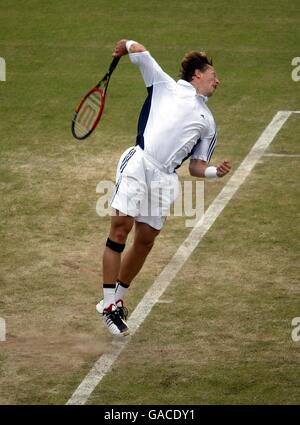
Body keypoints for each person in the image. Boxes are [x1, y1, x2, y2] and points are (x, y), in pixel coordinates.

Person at [96, 39, 231, 336]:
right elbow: (141, 51)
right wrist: (124, 45)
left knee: (145, 240)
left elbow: (196, 166)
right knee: (120, 226)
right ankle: (106, 305)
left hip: (165, 178)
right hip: (139, 162)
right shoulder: (164, 84)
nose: (217, 81)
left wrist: (213, 172)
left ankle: (117, 299)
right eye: (213, 75)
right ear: (197, 74)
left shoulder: (208, 122)